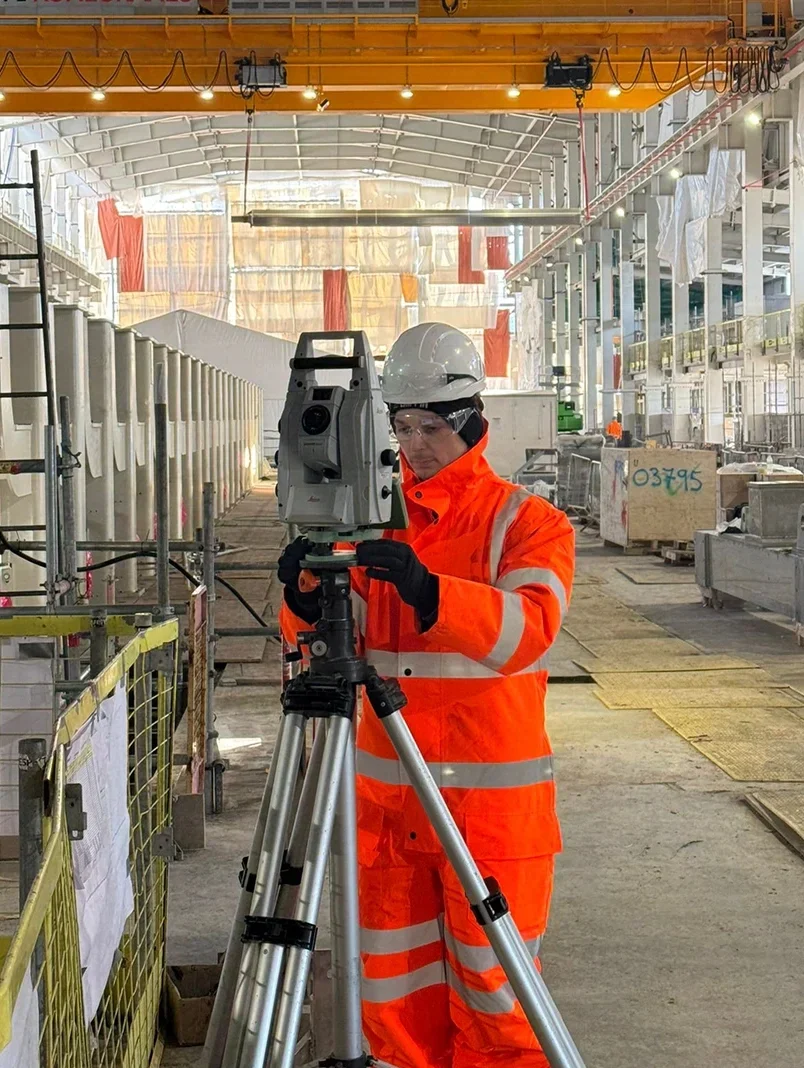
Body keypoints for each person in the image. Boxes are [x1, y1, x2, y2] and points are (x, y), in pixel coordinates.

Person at [279, 322, 575, 1068]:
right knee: (395, 1017)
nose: (413, 444)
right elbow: (315, 643)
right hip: (387, 818)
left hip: (488, 825)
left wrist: (427, 587)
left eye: (431, 426)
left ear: (473, 422)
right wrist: (306, 597)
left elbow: (526, 631)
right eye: (402, 426)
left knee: (501, 1015)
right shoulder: (374, 517)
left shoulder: (525, 523)